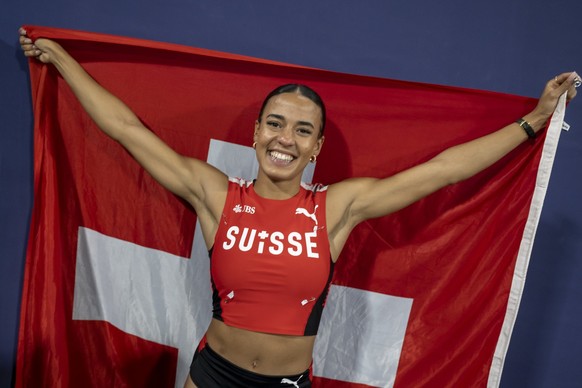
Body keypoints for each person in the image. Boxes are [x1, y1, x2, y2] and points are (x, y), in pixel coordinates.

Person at [19, 27, 578, 388]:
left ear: (317, 148)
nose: (286, 138)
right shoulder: (216, 195)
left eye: (302, 130)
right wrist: (62, 61)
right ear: (258, 133)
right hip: (212, 376)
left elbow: (443, 171)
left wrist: (535, 118)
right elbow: (125, 130)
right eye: (276, 124)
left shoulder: (337, 208)